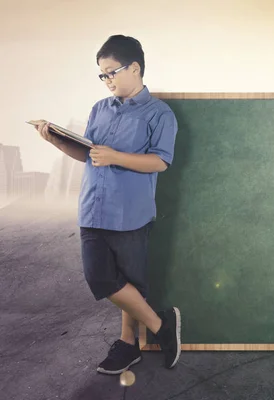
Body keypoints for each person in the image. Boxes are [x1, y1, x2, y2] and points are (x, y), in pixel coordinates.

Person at [32, 34, 181, 375]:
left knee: (131, 283)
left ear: (135, 67)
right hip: (93, 208)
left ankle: (129, 346)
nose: (107, 80)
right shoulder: (99, 109)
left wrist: (116, 156)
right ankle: (161, 326)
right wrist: (56, 140)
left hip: (130, 212)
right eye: (102, 75)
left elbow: (160, 161)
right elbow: (88, 156)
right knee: (100, 279)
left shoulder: (159, 113)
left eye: (111, 72)